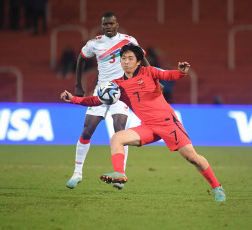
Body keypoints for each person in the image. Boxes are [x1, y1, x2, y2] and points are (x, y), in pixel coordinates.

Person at [61, 44, 226, 202]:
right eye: (124, 58)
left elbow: (168, 75)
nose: (126, 62)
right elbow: (98, 100)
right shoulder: (118, 85)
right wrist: (74, 99)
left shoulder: (149, 72)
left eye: (130, 58)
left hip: (168, 123)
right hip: (147, 126)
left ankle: (217, 187)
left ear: (138, 61)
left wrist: (181, 72)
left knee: (192, 158)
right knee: (117, 138)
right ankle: (119, 174)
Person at [65, 12, 150, 190]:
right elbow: (81, 58)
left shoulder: (129, 41)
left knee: (120, 132)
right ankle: (77, 173)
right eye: (105, 24)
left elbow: (142, 58)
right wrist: (78, 86)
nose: (108, 27)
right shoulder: (95, 43)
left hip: (122, 92)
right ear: (102, 26)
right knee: (87, 130)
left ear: (117, 24)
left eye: (111, 24)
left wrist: (152, 80)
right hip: (102, 92)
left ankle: (120, 175)